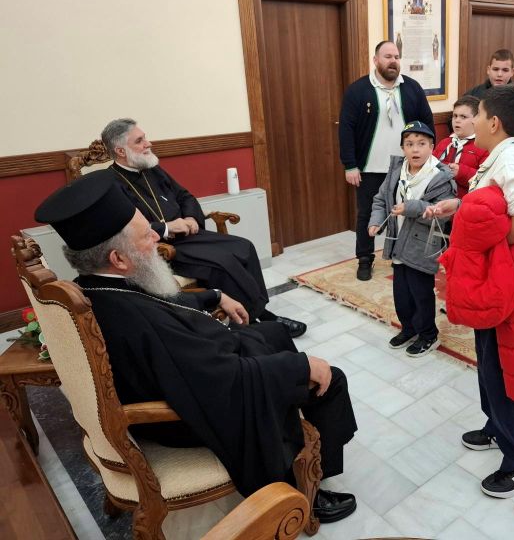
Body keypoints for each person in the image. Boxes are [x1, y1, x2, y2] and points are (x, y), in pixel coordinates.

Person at [34, 171, 358, 523]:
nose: (157, 236)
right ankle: (306, 488)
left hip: (190, 373)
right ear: (119, 259)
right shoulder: (137, 320)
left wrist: (214, 295)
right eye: (147, 235)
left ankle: (306, 456)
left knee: (274, 333)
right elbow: (223, 381)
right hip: (186, 413)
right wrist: (302, 367)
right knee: (329, 379)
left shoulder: (96, 285)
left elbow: (163, 301)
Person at [428, 83, 514, 498]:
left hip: (503, 282)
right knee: (489, 362)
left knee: (505, 367)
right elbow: (494, 208)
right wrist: (460, 207)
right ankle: (498, 426)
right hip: (489, 281)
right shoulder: (500, 156)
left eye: (475, 115)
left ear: (493, 122)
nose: (470, 122)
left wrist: (481, 248)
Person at [100, 118, 306, 338]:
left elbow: (184, 196)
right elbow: (124, 228)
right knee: (222, 264)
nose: (148, 143)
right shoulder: (111, 184)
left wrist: (190, 217)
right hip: (159, 248)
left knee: (244, 247)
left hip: (188, 235)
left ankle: (259, 311)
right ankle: (254, 323)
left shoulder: (152, 168)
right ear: (120, 151)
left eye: (145, 138)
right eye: (140, 141)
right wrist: (167, 228)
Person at [338, 40, 434, 281]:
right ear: (375, 60)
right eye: (388, 56)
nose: (393, 61)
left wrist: (428, 158)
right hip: (369, 167)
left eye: (397, 57)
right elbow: (346, 129)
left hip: (407, 167)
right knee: (367, 214)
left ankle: (401, 255)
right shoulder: (358, 90)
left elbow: (427, 123)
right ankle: (364, 258)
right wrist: (350, 164)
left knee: (405, 211)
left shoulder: (412, 88)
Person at [368, 121, 455, 357]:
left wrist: (411, 208)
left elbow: (442, 214)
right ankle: (409, 328)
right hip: (397, 243)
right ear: (402, 148)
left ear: (432, 147)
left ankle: (428, 334)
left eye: (421, 144)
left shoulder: (440, 177)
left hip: (421, 246)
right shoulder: (397, 171)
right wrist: (375, 221)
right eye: (409, 144)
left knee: (421, 294)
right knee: (402, 294)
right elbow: (380, 199)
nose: (415, 149)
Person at [432, 95, 487, 198]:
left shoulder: (483, 146)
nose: (457, 120)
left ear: (477, 119)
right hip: (437, 197)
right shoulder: (444, 143)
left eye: (463, 117)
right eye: (455, 116)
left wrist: (461, 172)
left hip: (464, 200)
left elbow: (485, 180)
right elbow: (430, 164)